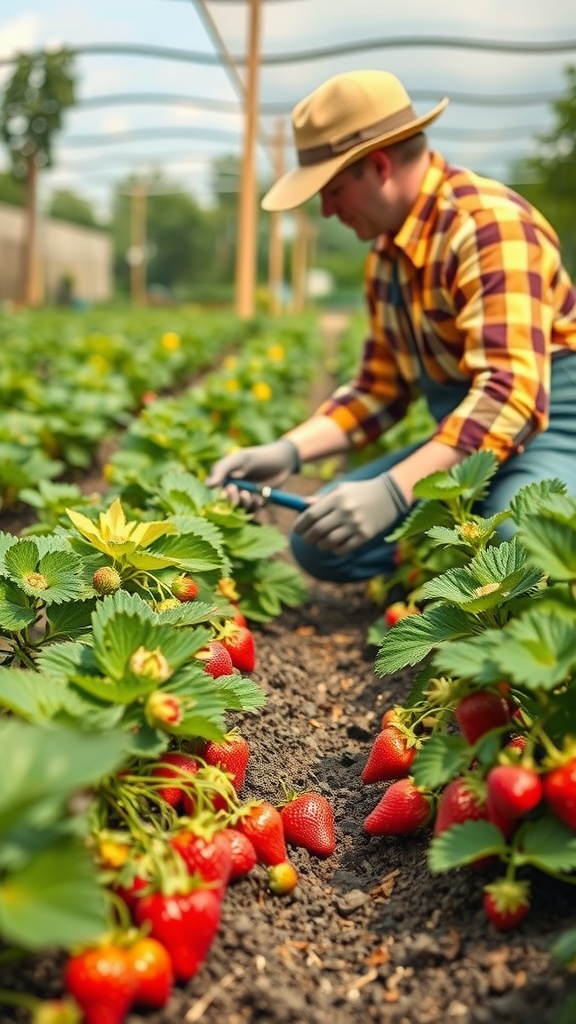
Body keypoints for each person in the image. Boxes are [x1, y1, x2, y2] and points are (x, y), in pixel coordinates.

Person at [207, 69, 576, 584]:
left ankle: (491, 562)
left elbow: (512, 395)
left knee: (529, 542)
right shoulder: (385, 259)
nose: (327, 211)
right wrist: (286, 452)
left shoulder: (488, 227)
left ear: (378, 166)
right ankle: (469, 568)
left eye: (332, 191)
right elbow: (379, 389)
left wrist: (394, 491)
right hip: (468, 446)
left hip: (552, 430)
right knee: (319, 542)